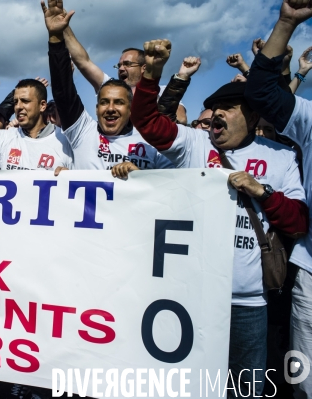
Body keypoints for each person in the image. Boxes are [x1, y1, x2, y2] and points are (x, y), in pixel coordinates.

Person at [131, 36, 309, 397]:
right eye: (215, 108)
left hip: (249, 304)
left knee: (245, 391)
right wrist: (153, 74)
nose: (217, 114)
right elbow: (148, 122)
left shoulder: (281, 156)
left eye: (229, 106)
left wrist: (263, 193)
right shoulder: (195, 145)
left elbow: (298, 222)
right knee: (186, 388)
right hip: (191, 300)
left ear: (254, 115)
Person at [244, 1, 312, 397]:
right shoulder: (308, 118)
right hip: (310, 273)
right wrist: (286, 22)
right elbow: (261, 91)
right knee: (303, 384)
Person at [42, 0, 172, 176]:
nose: (110, 109)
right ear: (96, 109)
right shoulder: (83, 132)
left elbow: (174, 185)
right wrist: (56, 38)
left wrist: (143, 176)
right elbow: (63, 92)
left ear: (131, 109)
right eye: (104, 102)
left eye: (118, 102)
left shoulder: (150, 142)